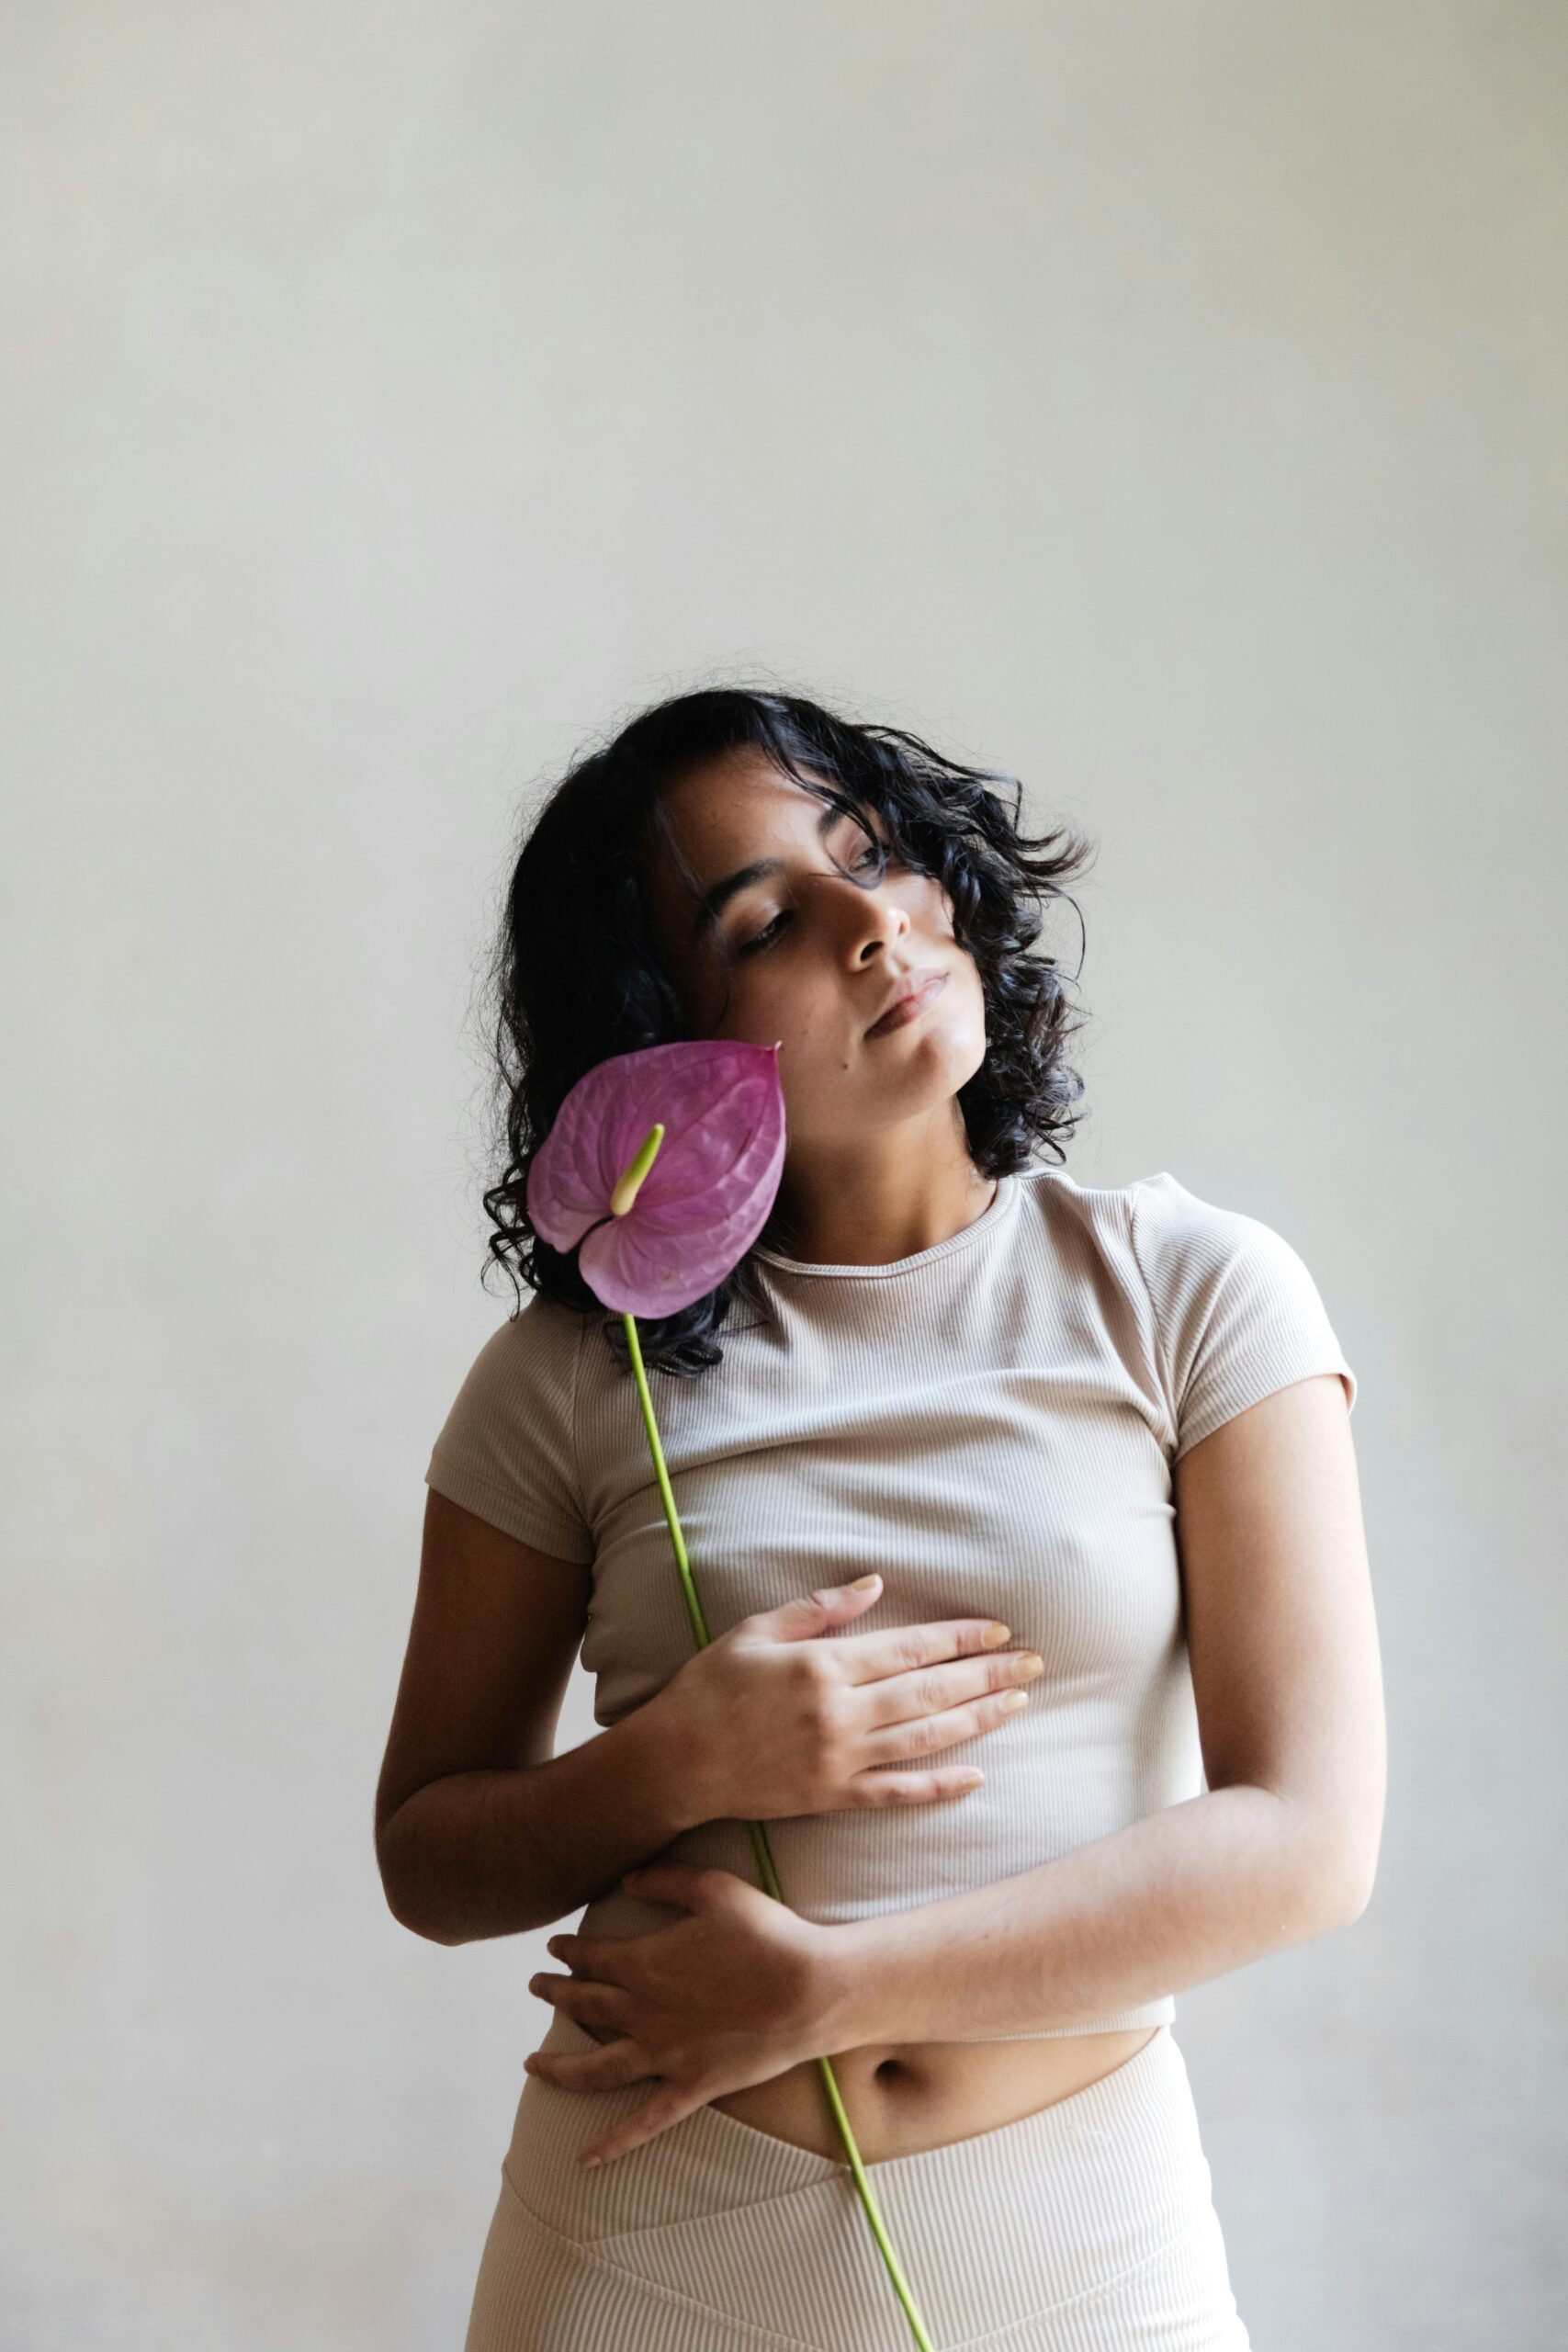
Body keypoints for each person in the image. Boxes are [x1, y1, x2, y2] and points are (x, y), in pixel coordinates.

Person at [375, 686, 1384, 2348]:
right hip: (647, 2234)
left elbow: (1308, 1842)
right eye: (769, 918)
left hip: (1081, 2239)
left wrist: (829, 1990)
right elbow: (429, 1853)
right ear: (662, 1042)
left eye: (876, 853)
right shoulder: (576, 1374)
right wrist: (675, 1767)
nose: (873, 923)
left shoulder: (1186, 1291)